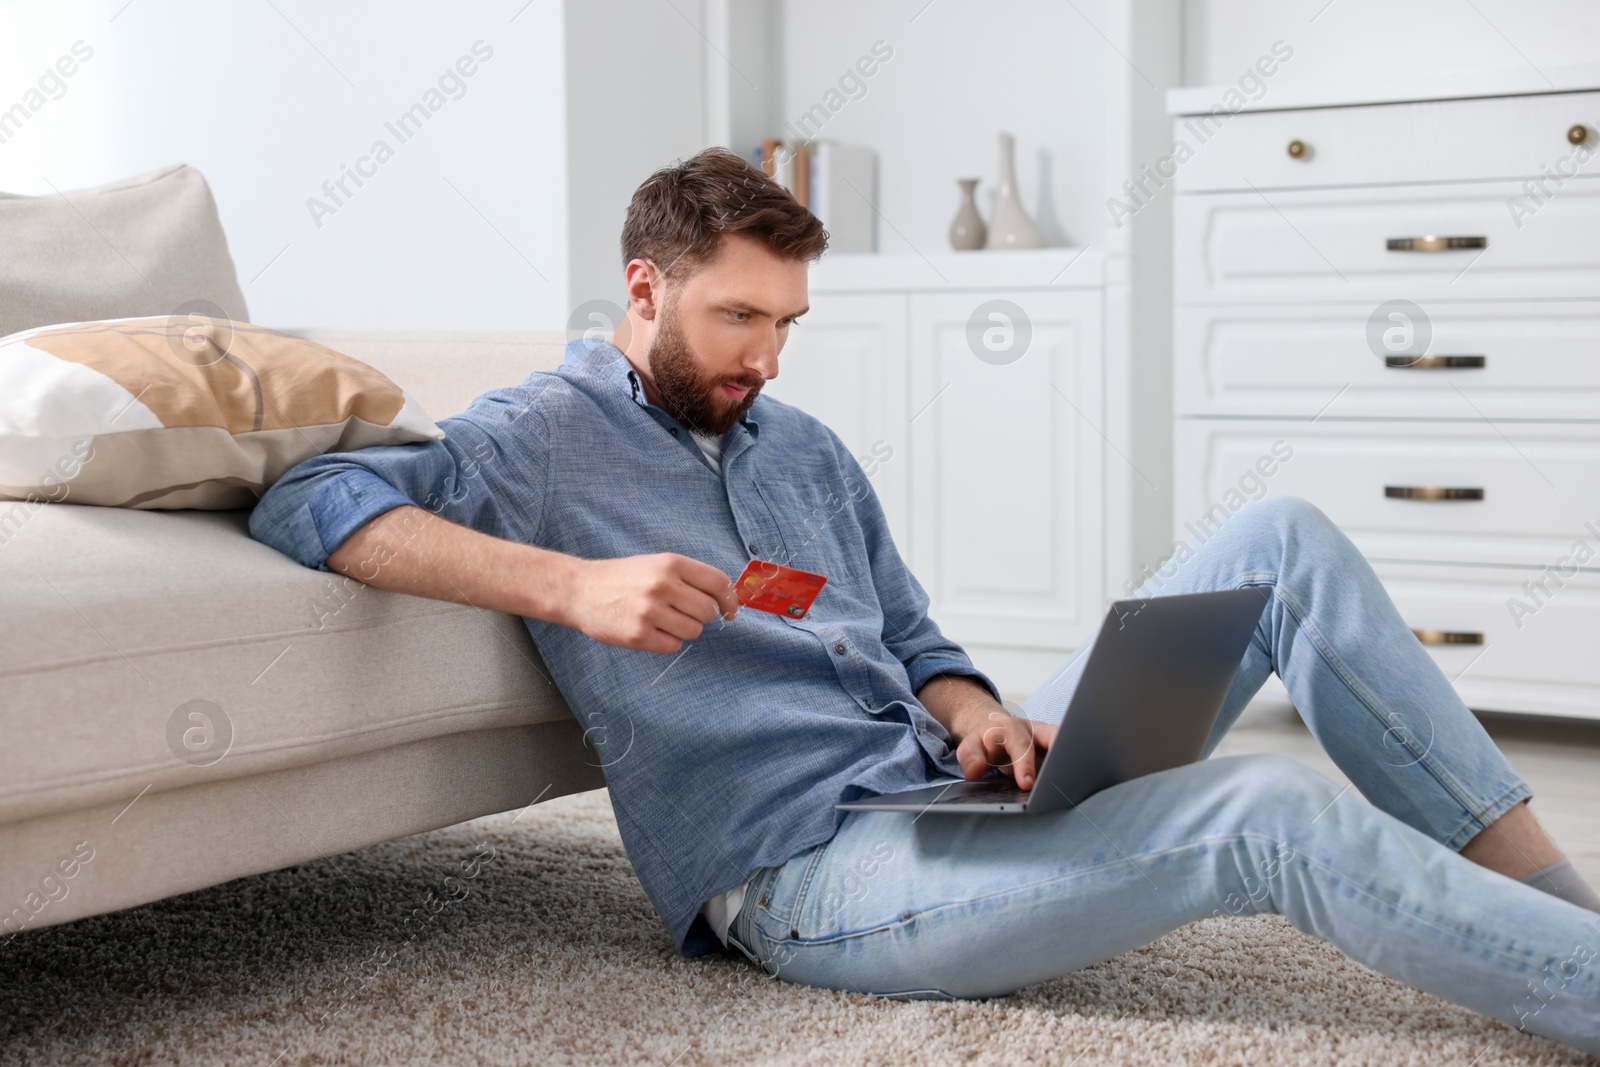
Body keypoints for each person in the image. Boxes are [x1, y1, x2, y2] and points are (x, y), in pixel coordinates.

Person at [249, 148, 1600, 1054]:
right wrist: (572, 586)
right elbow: (308, 501)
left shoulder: (803, 451)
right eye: (735, 320)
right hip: (810, 869)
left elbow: (908, 637)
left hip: (940, 784)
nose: (765, 358)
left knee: (1279, 537)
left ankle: (1565, 914)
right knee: (1267, 805)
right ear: (644, 289)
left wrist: (973, 711)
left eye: (787, 325)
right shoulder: (539, 439)